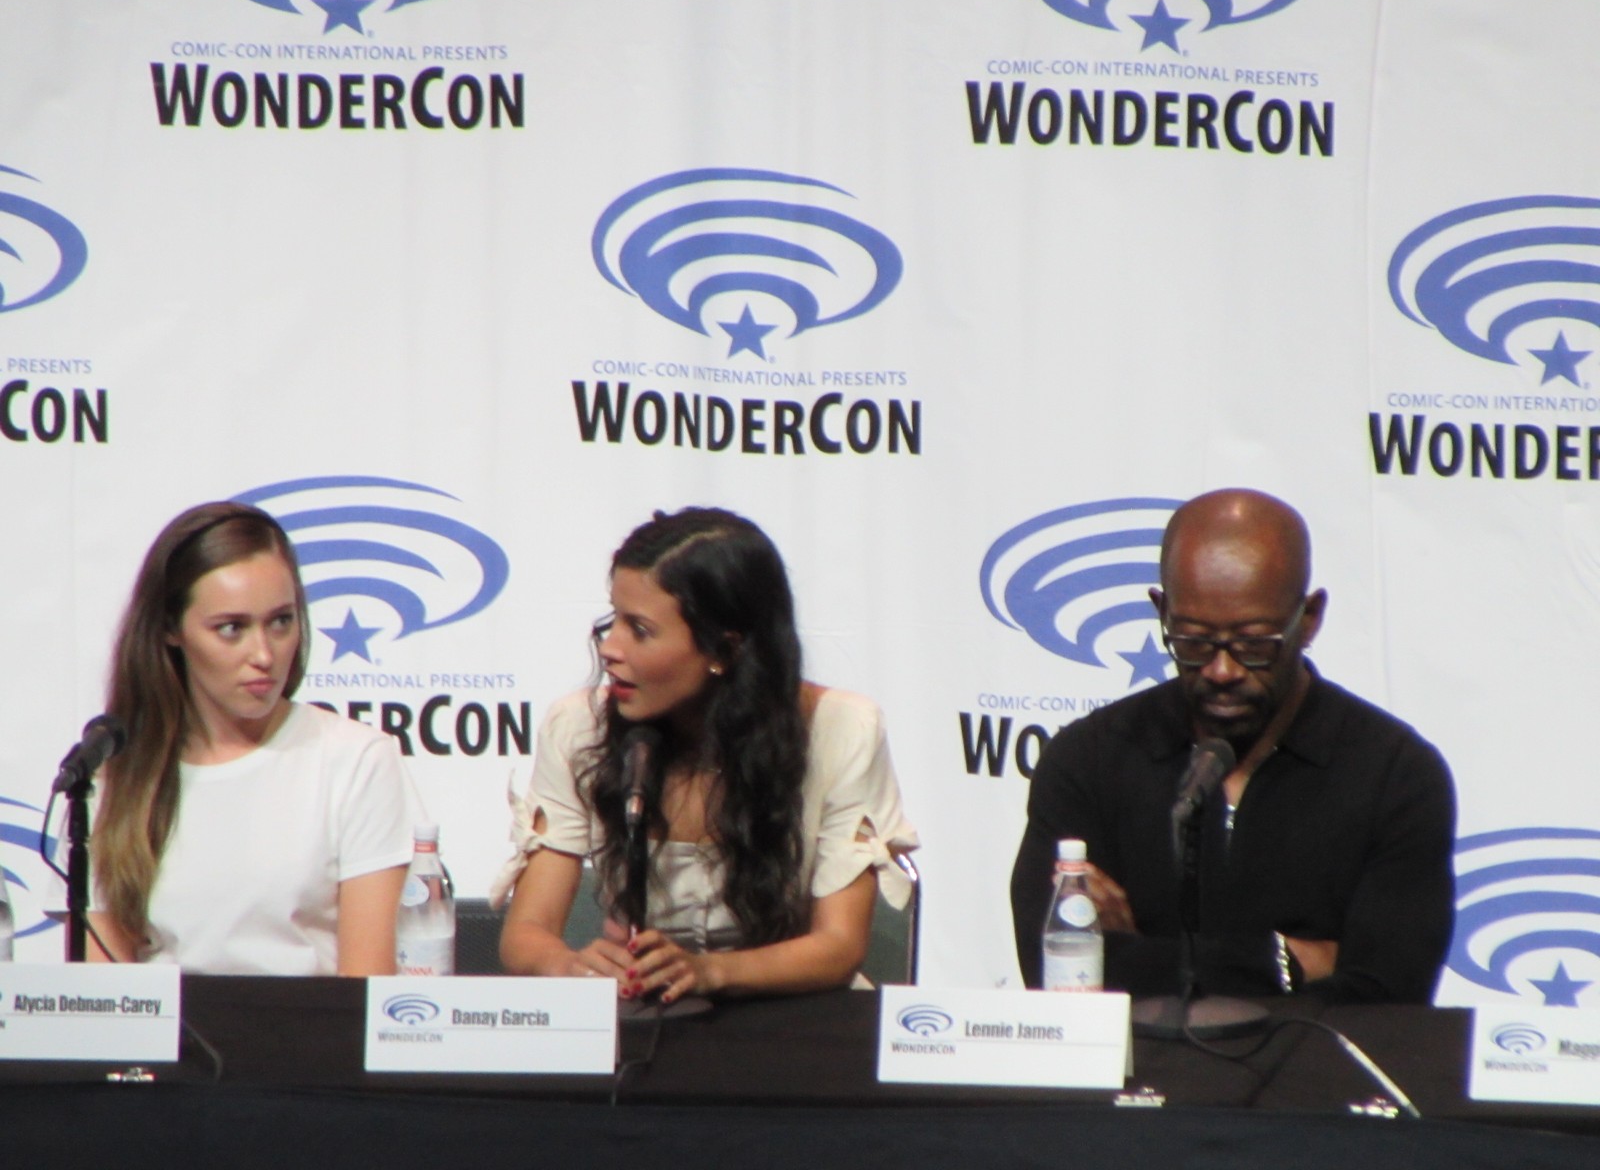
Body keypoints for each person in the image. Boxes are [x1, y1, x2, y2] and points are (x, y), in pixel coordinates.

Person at [1010, 489, 1456, 1003]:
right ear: (1162, 611)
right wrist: (1285, 961)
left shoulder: (1396, 775)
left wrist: (1141, 958)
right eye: (1194, 642)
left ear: (1309, 618)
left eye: (1254, 644)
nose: (1223, 671)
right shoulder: (1089, 760)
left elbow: (1390, 994)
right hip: (1136, 1059)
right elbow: (1055, 972)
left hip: (1315, 1062)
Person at [493, 507, 918, 1001]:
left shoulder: (841, 728)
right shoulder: (578, 726)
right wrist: (568, 964)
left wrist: (708, 971)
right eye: (613, 620)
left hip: (794, 1012)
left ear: (724, 650)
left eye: (640, 629)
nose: (610, 648)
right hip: (644, 1012)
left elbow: (839, 947)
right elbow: (525, 936)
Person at [72, 501, 422, 974]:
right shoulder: (113, 771)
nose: (263, 654)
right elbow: (102, 998)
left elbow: (365, 988)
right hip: (163, 1025)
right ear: (171, 629)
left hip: (309, 1023)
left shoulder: (355, 759)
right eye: (231, 628)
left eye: (281, 622)